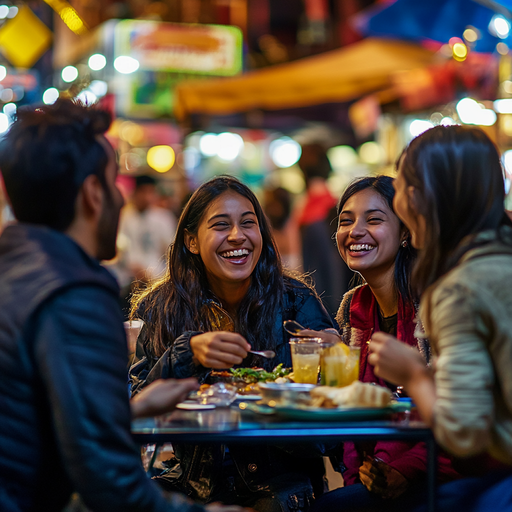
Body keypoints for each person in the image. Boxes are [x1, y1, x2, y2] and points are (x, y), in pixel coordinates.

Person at [0, 99, 246, 512]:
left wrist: (128, 412)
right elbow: (108, 479)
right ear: (94, 194)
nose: (120, 198)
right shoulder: (73, 291)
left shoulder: (15, 268)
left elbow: (39, 424)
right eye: (115, 182)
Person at [129, 175, 335, 511]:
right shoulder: (161, 307)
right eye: (221, 225)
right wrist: (186, 353)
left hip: (280, 488)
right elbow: (138, 411)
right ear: (192, 241)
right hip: (192, 484)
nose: (237, 236)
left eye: (248, 224)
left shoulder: (296, 302)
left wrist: (273, 399)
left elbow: (327, 438)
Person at [369, 125, 512, 511]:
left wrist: (414, 374)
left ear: (416, 198)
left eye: (400, 187)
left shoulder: (460, 289)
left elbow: (464, 433)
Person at [301, 176, 458, 511]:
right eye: (346, 221)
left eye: (373, 220)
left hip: (446, 476)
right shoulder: (352, 307)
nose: (355, 231)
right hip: (378, 476)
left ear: (405, 233)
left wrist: (405, 469)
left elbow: (461, 411)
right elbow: (352, 414)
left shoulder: (435, 304)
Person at [295, 143, 352, 316]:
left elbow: (316, 272)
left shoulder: (308, 210)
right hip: (337, 302)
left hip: (323, 306)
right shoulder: (333, 204)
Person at [112, 174, 177, 318]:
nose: (147, 197)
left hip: (156, 282)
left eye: (151, 192)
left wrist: (154, 274)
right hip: (127, 283)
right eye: (143, 192)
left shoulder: (163, 218)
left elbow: (171, 253)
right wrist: (133, 268)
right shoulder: (122, 218)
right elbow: (116, 251)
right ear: (134, 192)